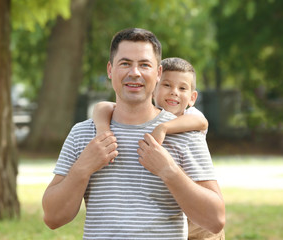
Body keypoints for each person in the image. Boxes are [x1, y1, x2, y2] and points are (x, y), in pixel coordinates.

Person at [42, 28, 225, 240]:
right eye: (125, 63)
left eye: (144, 65)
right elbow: (53, 217)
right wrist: (84, 166)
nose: (135, 72)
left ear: (158, 73)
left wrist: (169, 171)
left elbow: (216, 220)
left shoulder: (184, 132)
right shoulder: (82, 134)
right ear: (110, 70)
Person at [92, 57, 225, 240]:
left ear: (192, 98)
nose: (174, 93)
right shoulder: (142, 115)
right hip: (166, 213)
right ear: (153, 88)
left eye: (182, 88)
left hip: (197, 220)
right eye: (167, 85)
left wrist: (163, 128)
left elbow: (202, 121)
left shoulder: (190, 115)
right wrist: (103, 131)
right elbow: (102, 106)